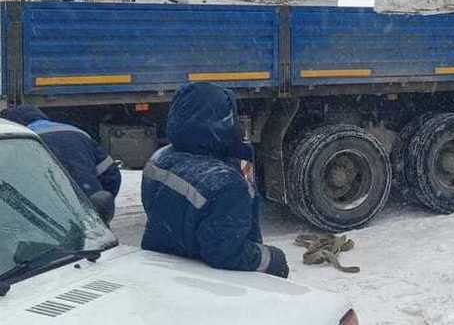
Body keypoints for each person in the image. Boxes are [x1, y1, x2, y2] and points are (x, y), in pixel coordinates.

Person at [140, 82, 289, 278]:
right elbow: (226, 252)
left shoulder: (160, 158)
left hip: (161, 268)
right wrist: (272, 259)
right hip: (206, 282)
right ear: (221, 122)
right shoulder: (226, 185)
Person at [0, 104, 121, 223]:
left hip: (46, 218)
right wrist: (101, 203)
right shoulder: (78, 132)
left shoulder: (22, 138)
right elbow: (111, 174)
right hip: (89, 214)